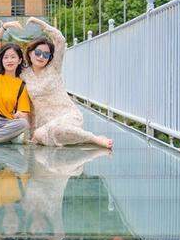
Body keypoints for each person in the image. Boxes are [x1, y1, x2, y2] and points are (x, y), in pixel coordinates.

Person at [21, 17, 113, 148]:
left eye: (46, 55)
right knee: (40, 134)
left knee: (57, 131)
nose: (41, 57)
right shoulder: (24, 74)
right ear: (30, 53)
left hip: (67, 115)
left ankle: (93, 138)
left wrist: (40, 23)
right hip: (44, 123)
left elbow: (60, 40)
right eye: (38, 52)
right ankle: (79, 138)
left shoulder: (54, 68)